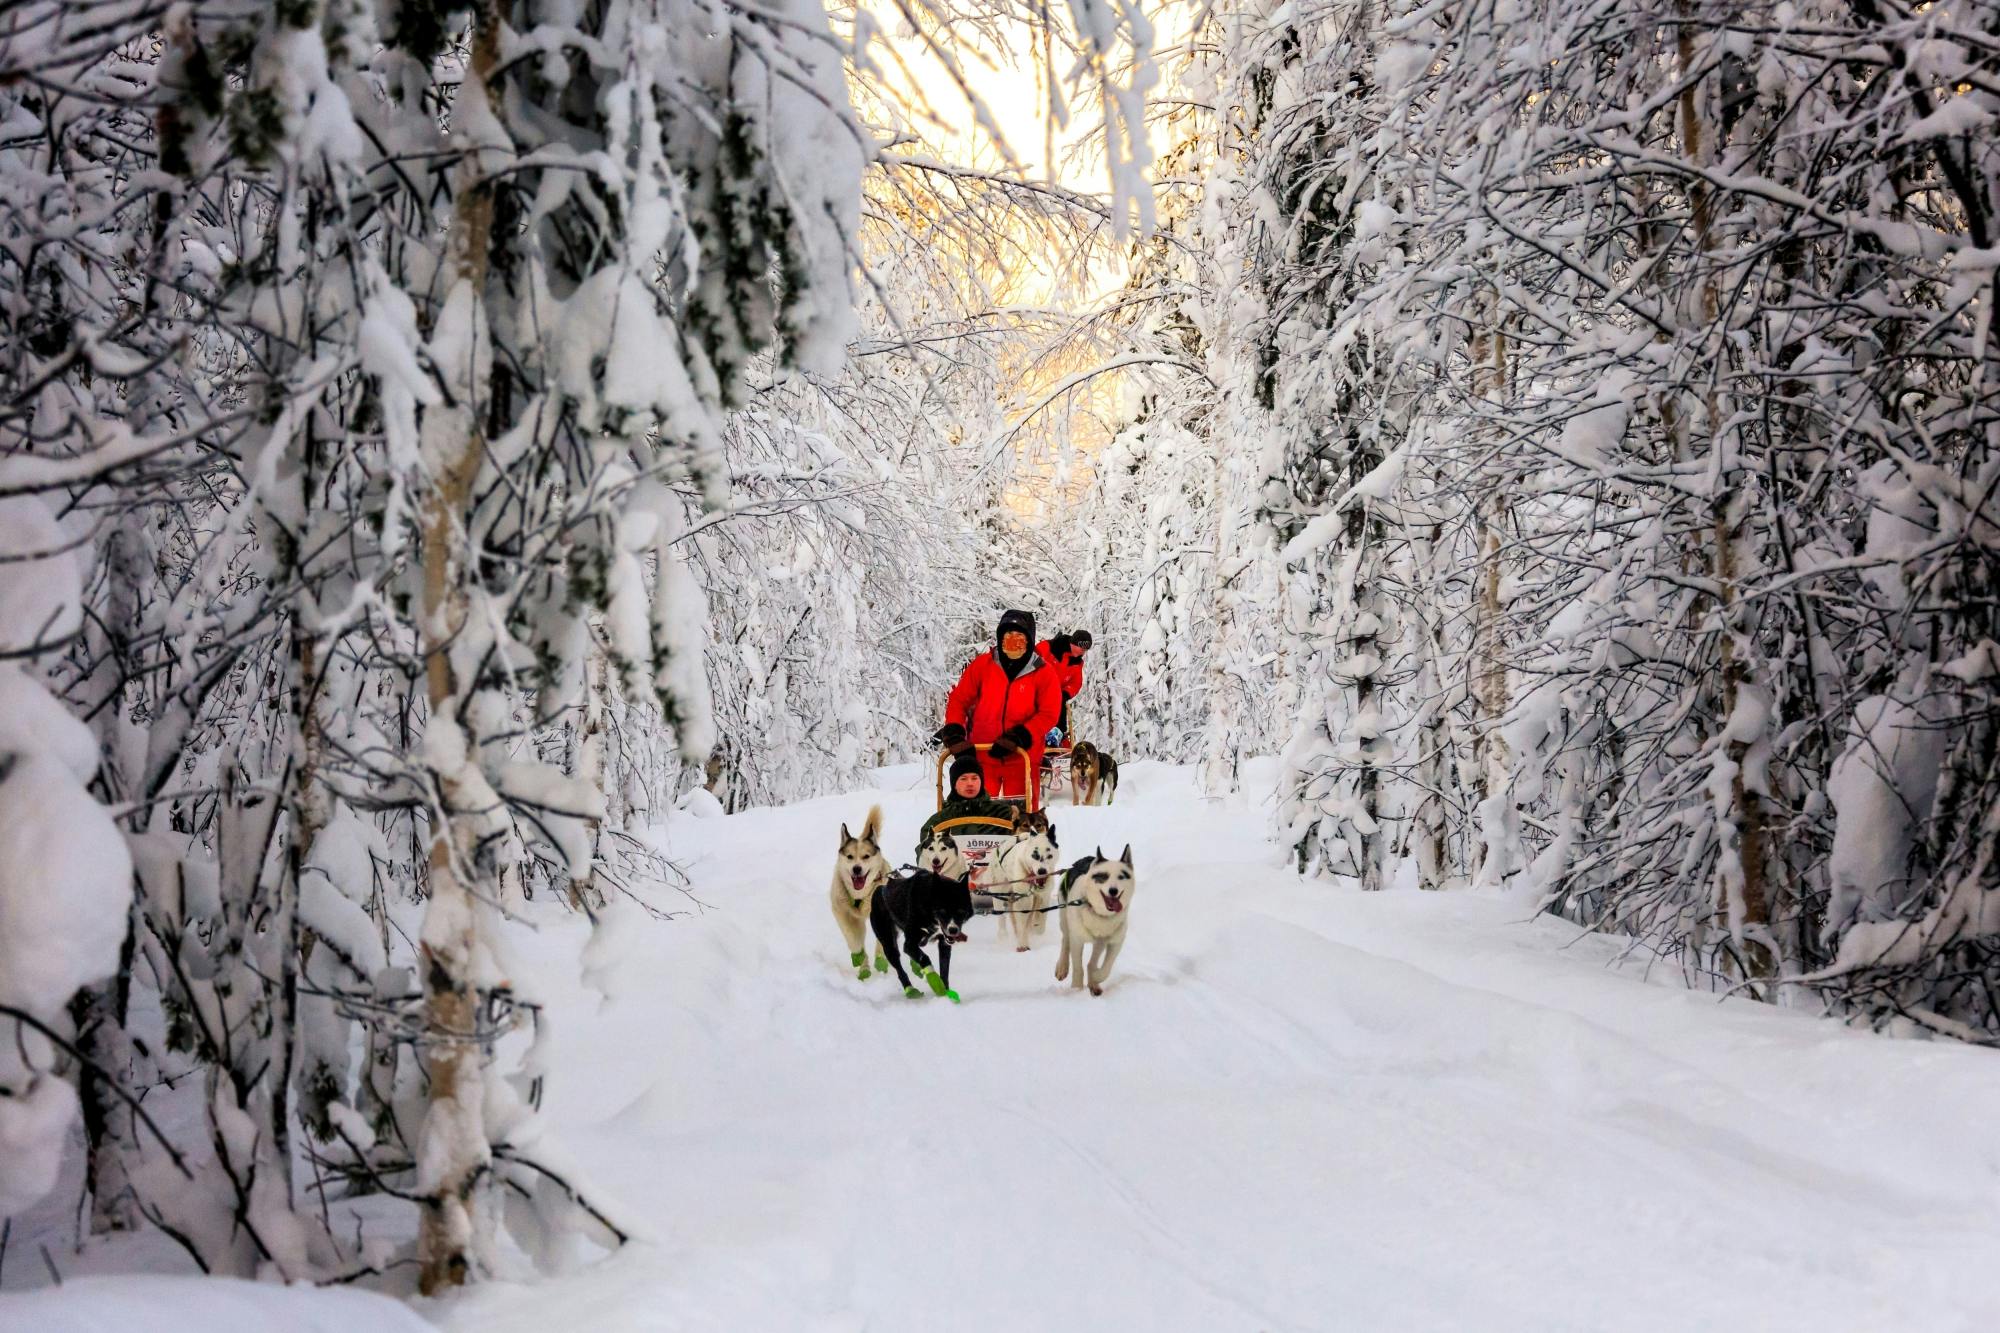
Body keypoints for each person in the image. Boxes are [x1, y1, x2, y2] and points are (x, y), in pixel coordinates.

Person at [935, 608, 1062, 800]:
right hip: (982, 755)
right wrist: (954, 732)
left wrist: (1020, 736)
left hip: (1022, 757)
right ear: (1000, 636)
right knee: (980, 816)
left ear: (1029, 639)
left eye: (1019, 635)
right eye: (1008, 634)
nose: (1013, 639)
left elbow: (1049, 713)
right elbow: (959, 699)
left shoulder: (1044, 673)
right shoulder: (982, 666)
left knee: (1021, 820)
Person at [917, 752, 1019, 853]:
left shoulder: (1003, 813)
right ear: (954, 784)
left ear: (981, 782)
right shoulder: (940, 820)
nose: (970, 783)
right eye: (963, 779)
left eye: (974, 778)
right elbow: (924, 854)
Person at [1035, 630, 1091, 742]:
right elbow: (1031, 662)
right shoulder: (1048, 647)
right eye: (1081, 649)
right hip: (1035, 690)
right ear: (1073, 643)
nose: (1082, 653)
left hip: (1056, 697)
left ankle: (1056, 738)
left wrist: (1066, 693)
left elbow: (1076, 683)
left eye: (1084, 651)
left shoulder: (1077, 663)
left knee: (1059, 702)